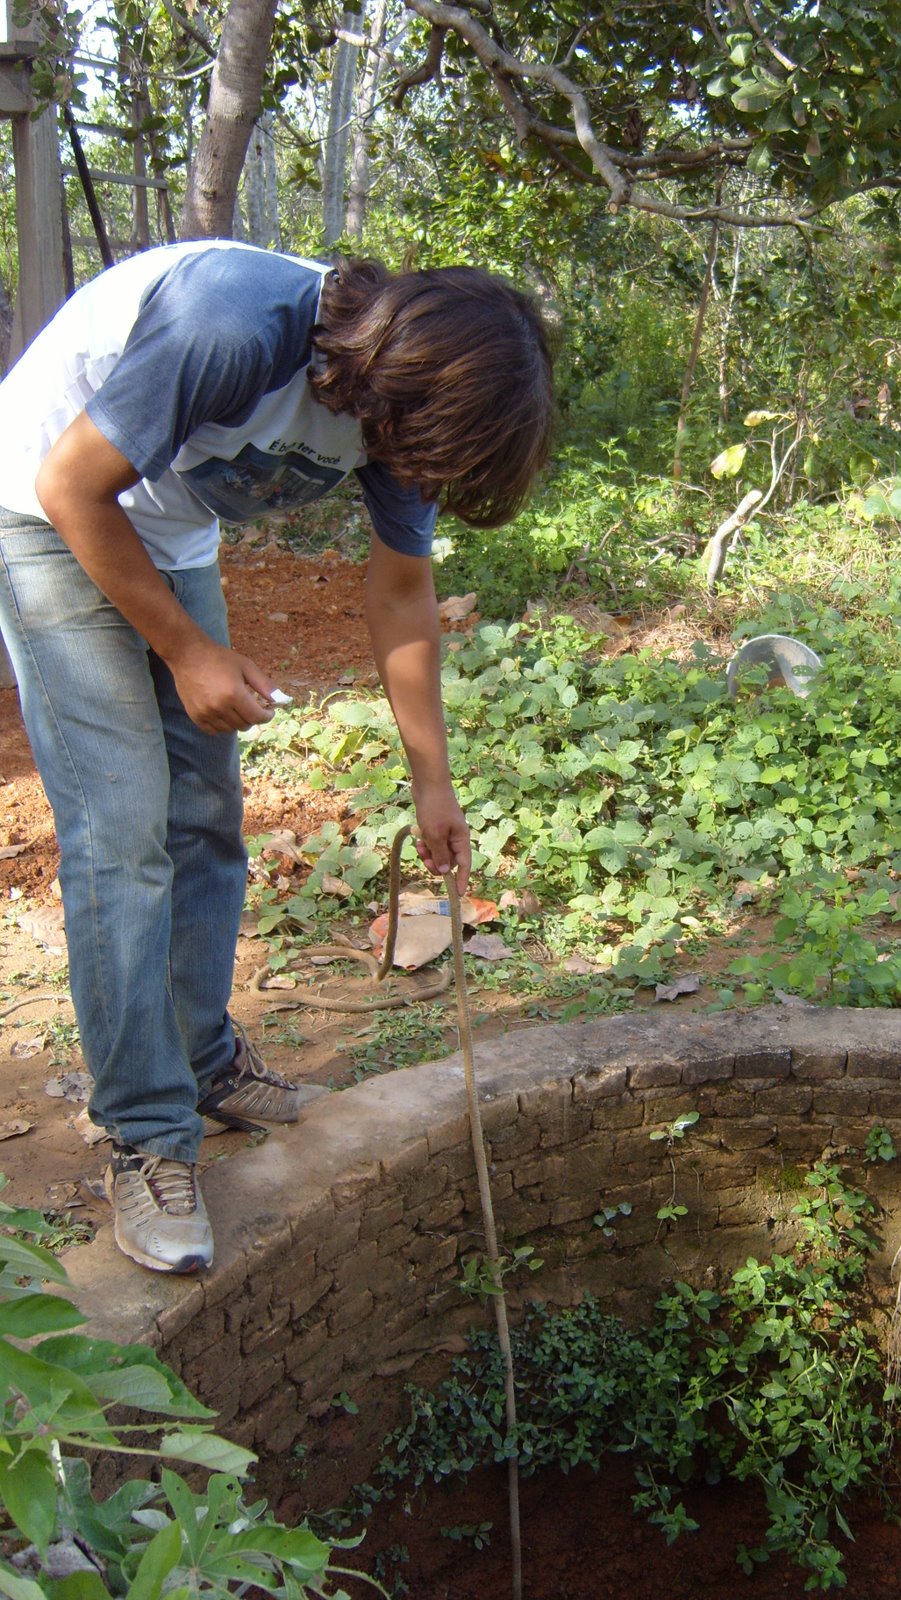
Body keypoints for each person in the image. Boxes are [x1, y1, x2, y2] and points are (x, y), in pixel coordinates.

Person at [0, 241, 554, 1275]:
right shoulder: (233, 324)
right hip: (44, 502)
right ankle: (145, 1133)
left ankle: (202, 1058)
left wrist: (433, 780)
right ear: (394, 388)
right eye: (424, 464)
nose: (416, 484)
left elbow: (401, 597)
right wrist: (186, 649)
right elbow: (72, 485)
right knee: (122, 830)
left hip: (164, 532)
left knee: (205, 815)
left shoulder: (409, 418)